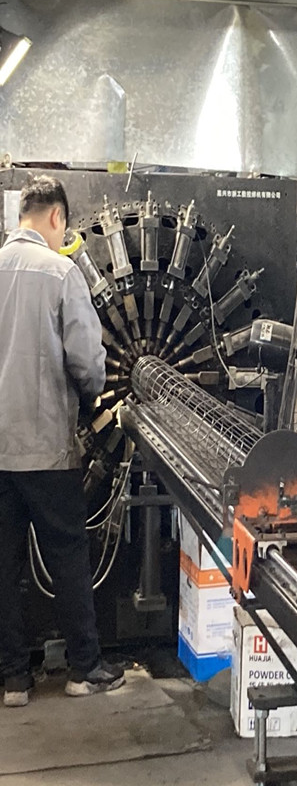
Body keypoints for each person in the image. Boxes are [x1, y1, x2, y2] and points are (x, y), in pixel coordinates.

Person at [0, 175, 125, 707]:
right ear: (56, 217)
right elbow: (87, 361)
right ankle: (84, 669)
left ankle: (13, 680)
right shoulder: (60, 272)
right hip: (47, 449)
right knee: (69, 557)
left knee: (3, 567)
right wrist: (94, 397)